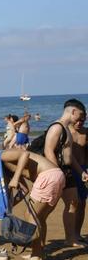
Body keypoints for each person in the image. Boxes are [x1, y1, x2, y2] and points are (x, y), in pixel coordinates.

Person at [0, 147, 66, 260]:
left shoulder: (1, 155)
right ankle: (39, 252)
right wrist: (8, 206)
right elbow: (24, 190)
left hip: (47, 176)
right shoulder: (7, 166)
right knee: (39, 218)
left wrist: (16, 178)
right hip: (56, 175)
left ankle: (36, 257)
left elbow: (25, 154)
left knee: (30, 215)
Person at [42, 99, 88, 247]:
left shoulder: (69, 129)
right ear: (73, 112)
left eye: (83, 118)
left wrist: (81, 171)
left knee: (75, 203)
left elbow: (70, 156)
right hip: (61, 171)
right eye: (79, 116)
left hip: (71, 171)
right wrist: (56, 172)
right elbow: (49, 150)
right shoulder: (58, 127)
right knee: (47, 209)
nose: (80, 120)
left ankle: (72, 237)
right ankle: (37, 246)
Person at [70, 116, 88, 244]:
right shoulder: (66, 133)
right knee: (73, 203)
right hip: (70, 171)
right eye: (77, 120)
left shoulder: (86, 132)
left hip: (85, 169)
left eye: (82, 120)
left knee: (82, 203)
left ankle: (77, 233)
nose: (79, 122)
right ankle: (71, 235)